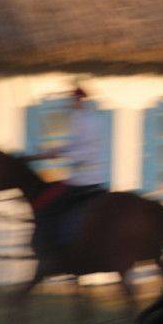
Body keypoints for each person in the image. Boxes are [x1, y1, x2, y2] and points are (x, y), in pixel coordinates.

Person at [29, 85, 110, 256]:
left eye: (73, 100)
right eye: (71, 99)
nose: (71, 102)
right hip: (79, 174)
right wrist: (52, 151)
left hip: (87, 176)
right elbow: (73, 144)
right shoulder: (78, 118)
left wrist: (61, 156)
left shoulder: (91, 121)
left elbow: (87, 151)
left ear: (81, 100)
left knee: (53, 201)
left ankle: (61, 241)